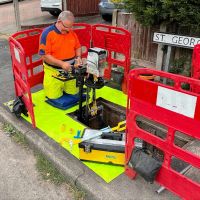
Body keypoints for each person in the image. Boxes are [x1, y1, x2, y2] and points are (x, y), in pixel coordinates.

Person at [39, 11, 82, 99]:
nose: (68, 30)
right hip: (53, 71)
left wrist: (78, 58)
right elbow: (44, 56)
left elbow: (78, 47)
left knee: (74, 95)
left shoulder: (71, 32)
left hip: (71, 70)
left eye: (70, 27)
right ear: (59, 22)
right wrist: (61, 64)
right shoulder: (47, 33)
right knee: (53, 98)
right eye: (66, 27)